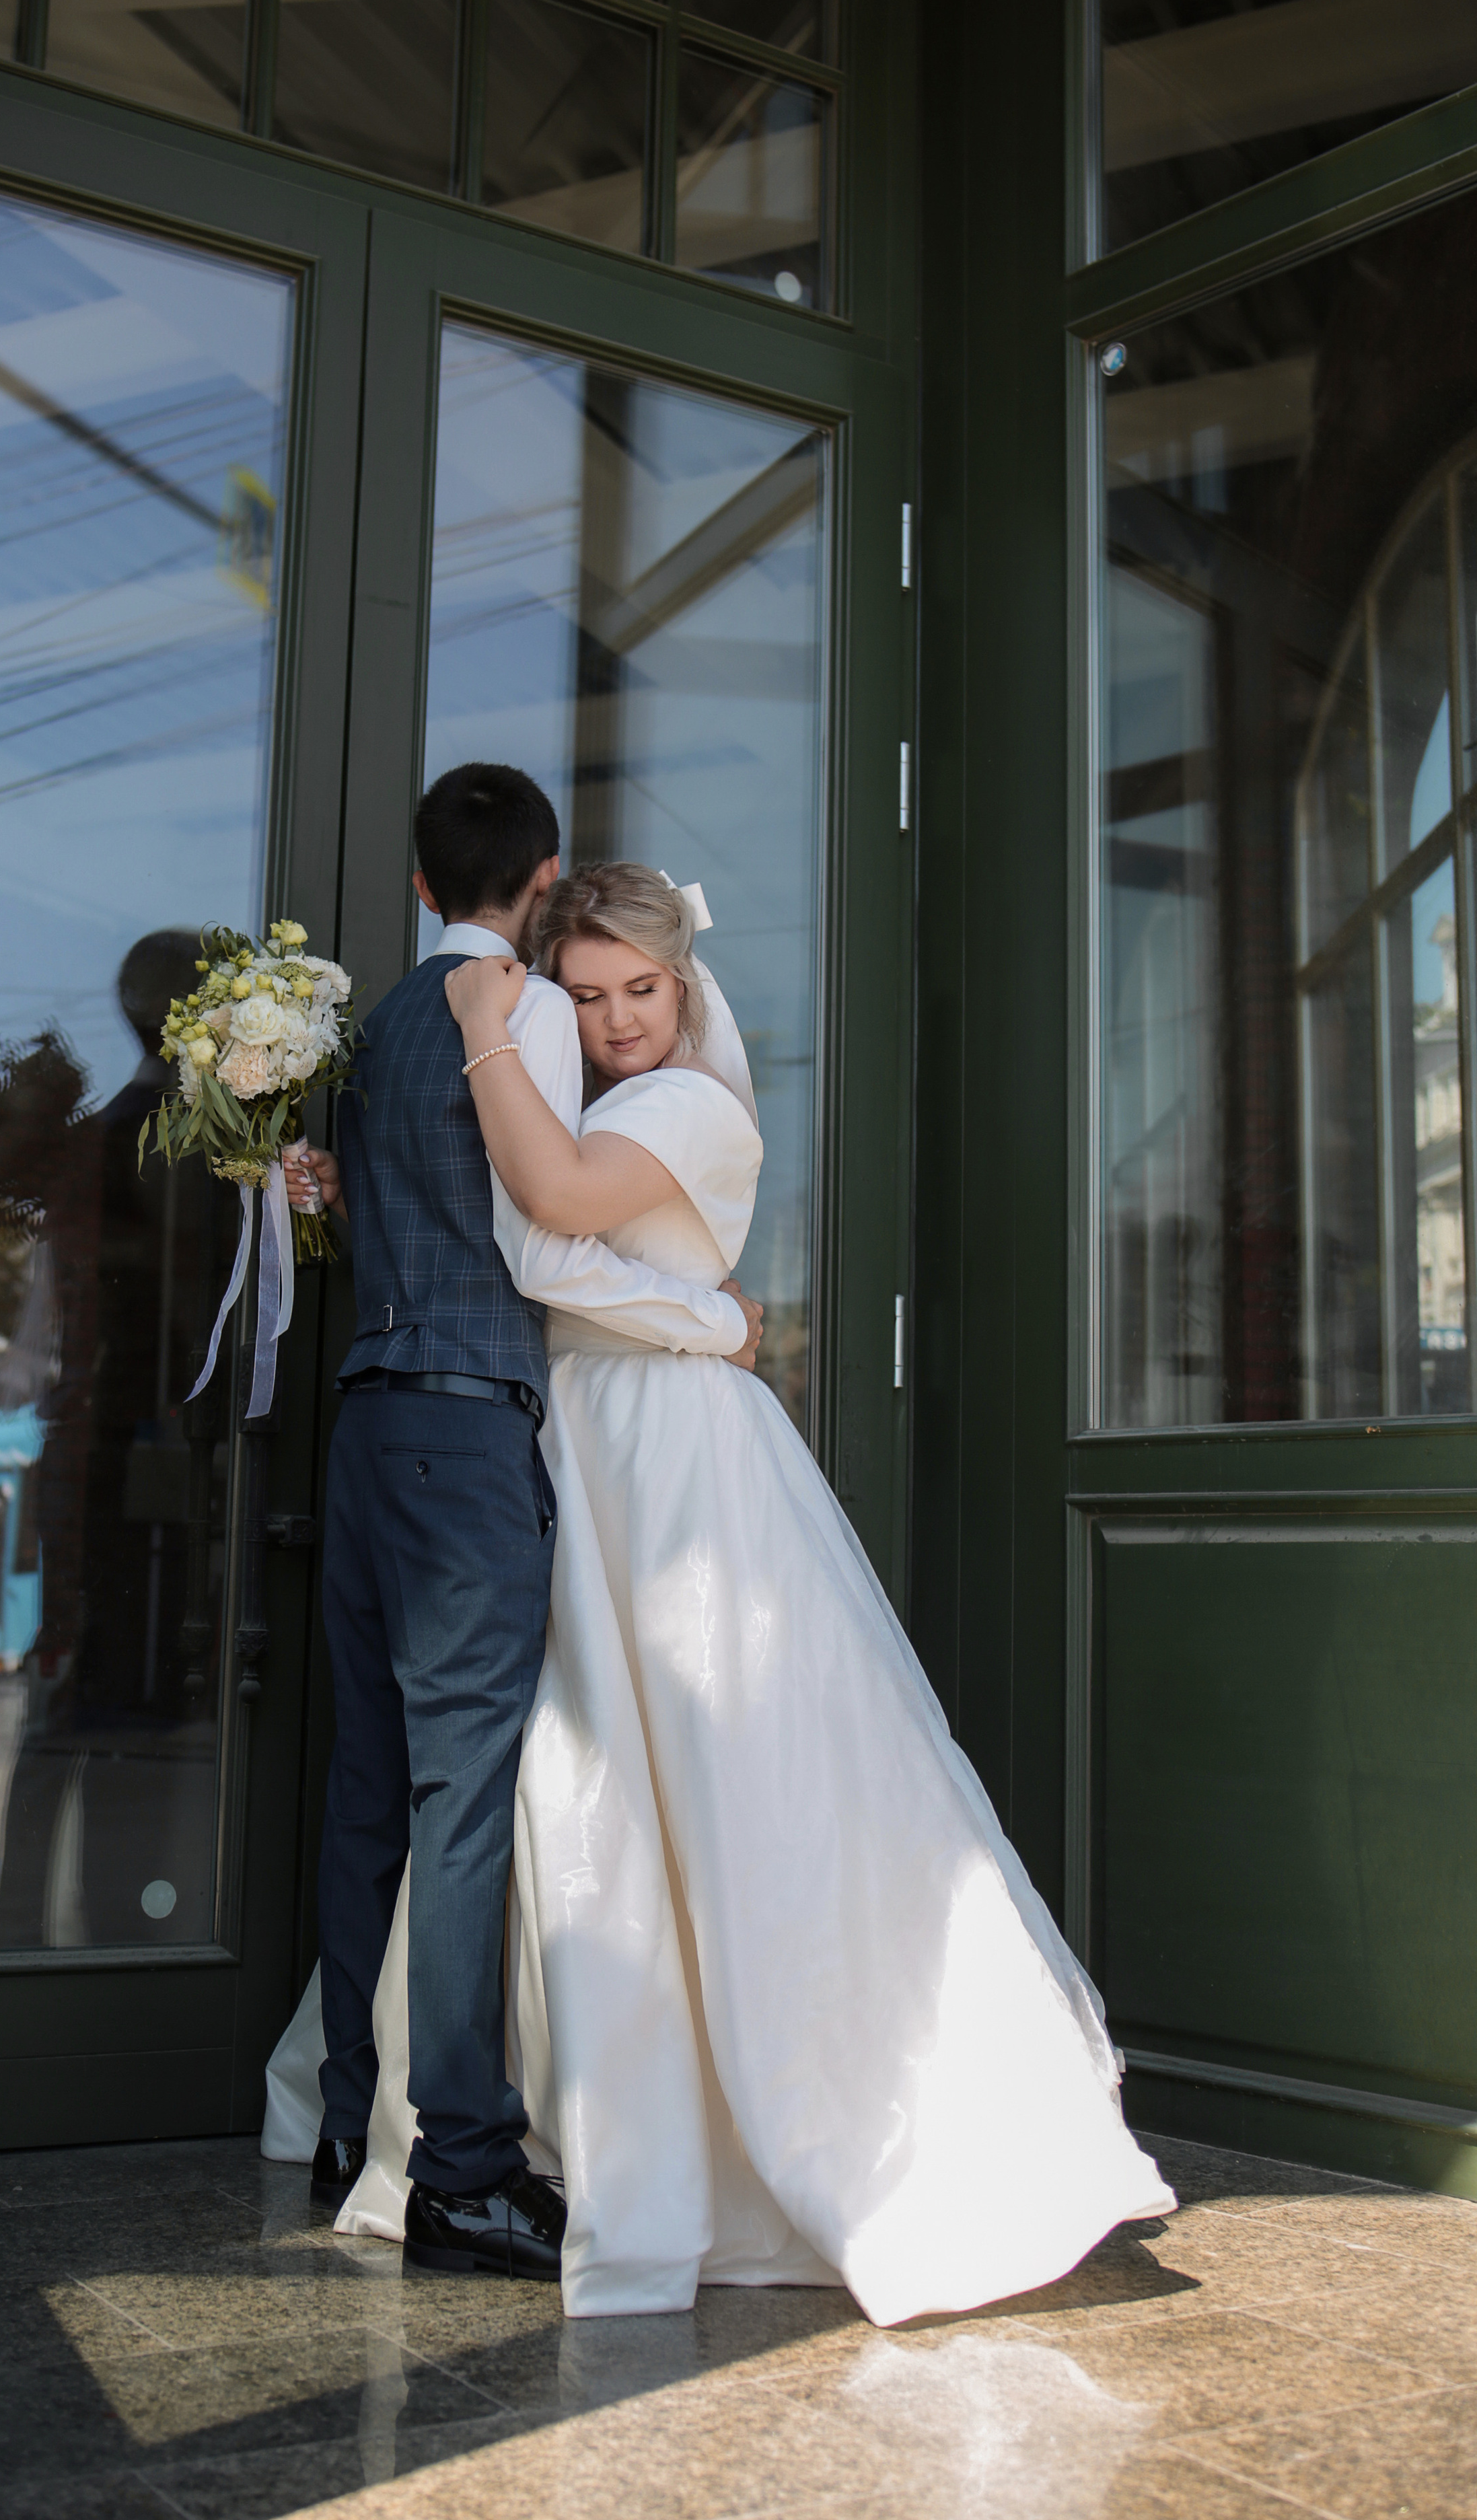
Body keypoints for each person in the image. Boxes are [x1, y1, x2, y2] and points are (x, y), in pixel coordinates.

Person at [295, 859, 1174, 2325]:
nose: (620, 1018)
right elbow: (517, 1242)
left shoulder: (685, 1105)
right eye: (587, 995)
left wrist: (699, 1318)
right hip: (574, 1436)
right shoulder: (577, 1095)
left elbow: (536, 1239)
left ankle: (772, 2101)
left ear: (683, 989)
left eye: (642, 991)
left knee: (718, 1769)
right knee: (574, 1784)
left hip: (669, 1448)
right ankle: (571, 2101)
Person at [279, 770, 762, 2282]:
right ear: (540, 884)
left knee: (369, 1789)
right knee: (463, 1802)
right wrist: (711, 1319)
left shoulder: (367, 1035)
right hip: (468, 1429)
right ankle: (459, 2172)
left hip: (367, 1421)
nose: (605, 1014)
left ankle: (348, 2123)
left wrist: (324, 1186)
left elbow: (412, 1207)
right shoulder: (519, 1016)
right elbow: (529, 1227)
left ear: (421, 889)